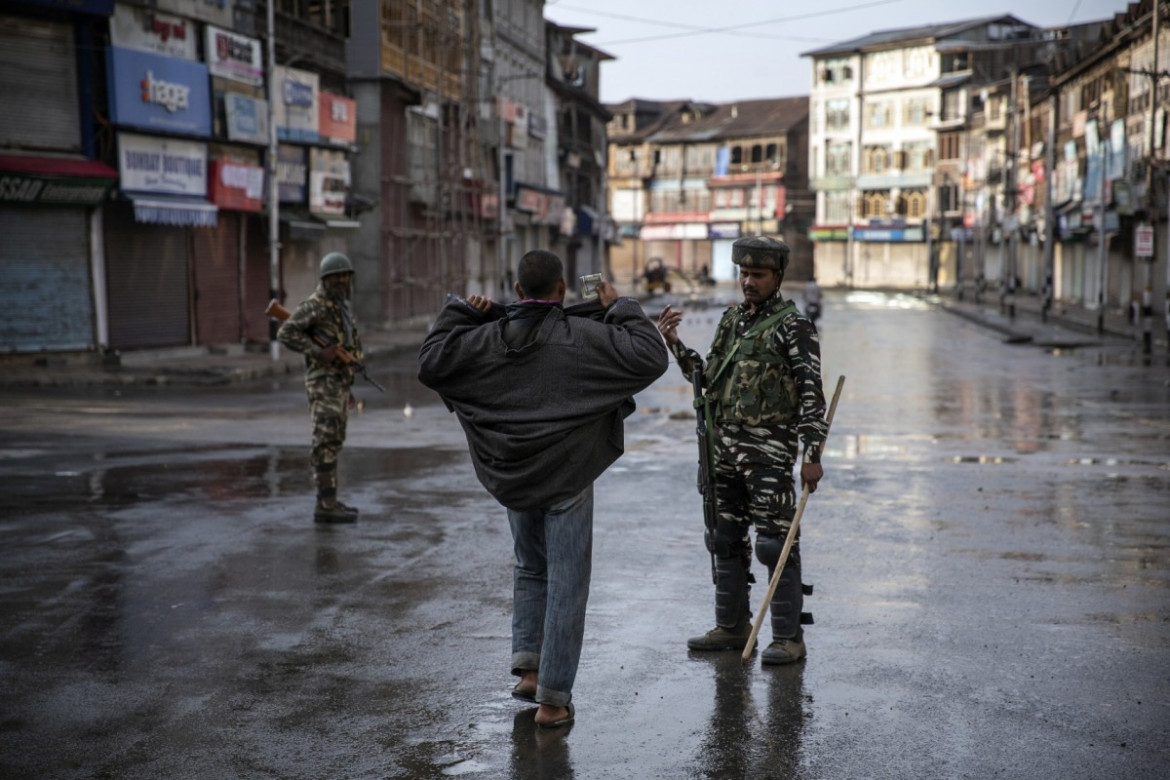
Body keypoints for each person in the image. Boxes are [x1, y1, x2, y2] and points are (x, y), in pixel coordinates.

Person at [417, 250, 667, 728]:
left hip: (513, 473)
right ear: (561, 292)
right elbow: (650, 355)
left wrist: (463, 310)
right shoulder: (584, 337)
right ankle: (553, 700)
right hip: (567, 476)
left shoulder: (486, 339)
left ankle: (529, 670)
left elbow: (432, 361)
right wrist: (619, 305)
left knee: (531, 567)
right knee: (567, 583)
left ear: (515, 293)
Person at [657, 235, 827, 665]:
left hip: (769, 452)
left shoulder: (794, 327)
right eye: (744, 273)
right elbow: (706, 378)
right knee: (724, 537)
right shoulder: (732, 321)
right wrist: (674, 343)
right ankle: (732, 627)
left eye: (758, 274)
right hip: (724, 450)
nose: (748, 282)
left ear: (777, 276)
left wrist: (812, 458)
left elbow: (812, 396)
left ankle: (788, 637)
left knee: (775, 543)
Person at [277, 252, 364, 524]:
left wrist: (348, 386)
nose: (341, 280)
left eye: (344, 275)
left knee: (334, 442)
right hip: (322, 384)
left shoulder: (341, 308)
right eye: (335, 276)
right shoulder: (315, 306)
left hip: (338, 384)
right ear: (325, 279)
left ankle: (330, 500)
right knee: (324, 442)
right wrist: (317, 352)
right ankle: (324, 505)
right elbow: (285, 333)